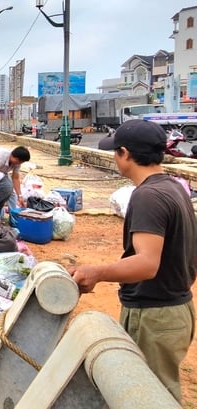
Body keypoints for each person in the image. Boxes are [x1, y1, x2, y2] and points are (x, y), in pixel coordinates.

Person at [67, 119, 196, 403]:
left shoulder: (148, 196)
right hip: (173, 307)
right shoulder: (176, 188)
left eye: (115, 152)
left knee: (150, 396)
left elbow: (147, 264)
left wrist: (97, 272)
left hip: (155, 315)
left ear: (124, 153)